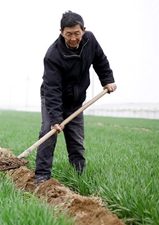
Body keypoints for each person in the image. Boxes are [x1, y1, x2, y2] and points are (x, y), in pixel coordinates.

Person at [35, 11, 117, 184]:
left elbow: (100, 60)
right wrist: (56, 119)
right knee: (48, 135)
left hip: (76, 100)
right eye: (68, 34)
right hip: (53, 99)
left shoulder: (90, 40)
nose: (73, 38)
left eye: (77, 33)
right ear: (61, 32)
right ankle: (42, 176)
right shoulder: (53, 55)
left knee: (76, 139)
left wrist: (108, 80)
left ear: (83, 31)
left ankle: (78, 176)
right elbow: (52, 88)